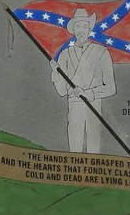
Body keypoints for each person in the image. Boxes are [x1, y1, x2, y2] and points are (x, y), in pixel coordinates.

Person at [50, 8, 117, 153]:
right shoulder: (65, 55)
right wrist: (56, 74)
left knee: (93, 144)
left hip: (93, 103)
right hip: (74, 104)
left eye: (84, 26)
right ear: (73, 30)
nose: (81, 30)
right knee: (75, 144)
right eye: (78, 27)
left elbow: (111, 88)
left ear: (90, 29)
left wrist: (88, 93)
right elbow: (62, 91)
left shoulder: (101, 52)